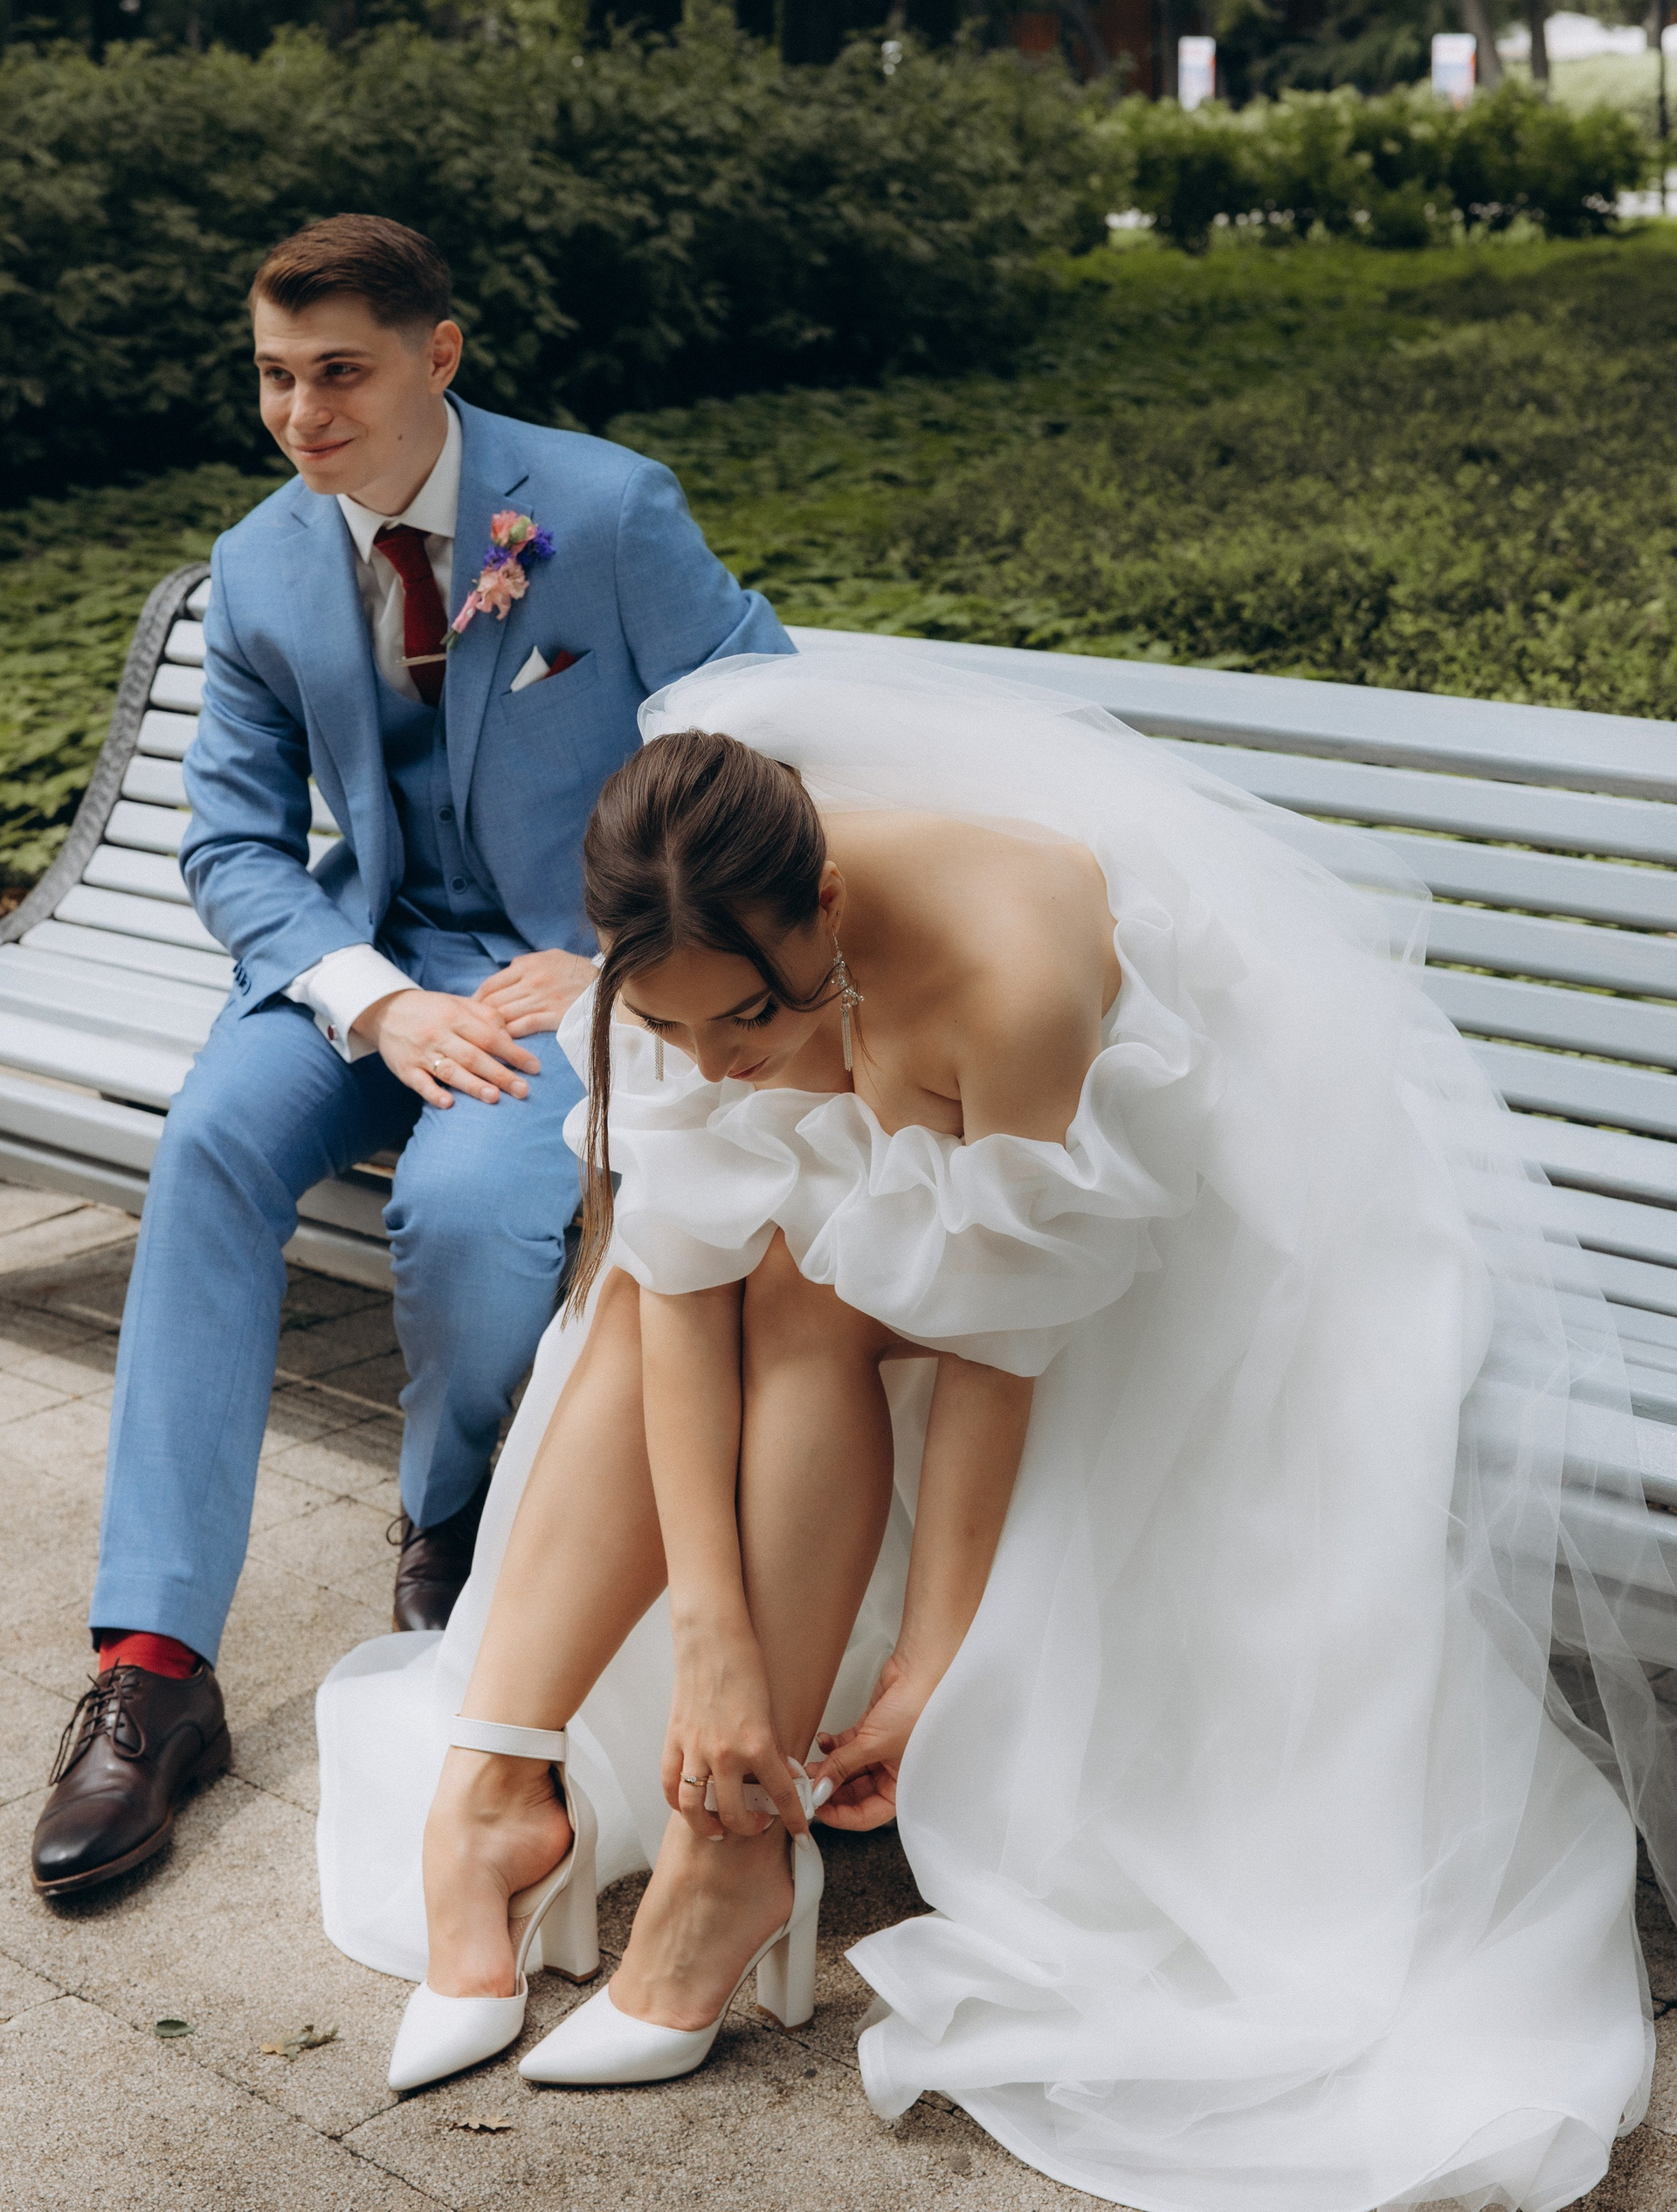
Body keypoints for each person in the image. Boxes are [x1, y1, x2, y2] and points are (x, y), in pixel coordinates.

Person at [318, 647, 1677, 2212]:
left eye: (749, 1015)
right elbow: (675, 1281)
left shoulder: (1008, 973)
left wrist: (929, 1665)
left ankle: (725, 1861)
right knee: (662, 1288)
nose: (719, 1061)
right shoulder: (676, 936)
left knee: (806, 1299)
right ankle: (497, 1782)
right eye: (678, 1029)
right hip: (901, 1219)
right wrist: (712, 1643)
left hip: (1163, 1243)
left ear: (829, 903)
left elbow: (992, 1342)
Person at [29, 215, 792, 1904]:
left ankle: (446, 1522)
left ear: (439, 356)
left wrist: (621, 958)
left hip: (567, 978)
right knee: (210, 1146)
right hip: (372, 965)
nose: (301, 415)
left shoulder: (603, 507)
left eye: (339, 374)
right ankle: (152, 1667)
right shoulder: (259, 562)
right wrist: (374, 1000)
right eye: (273, 377)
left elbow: (765, 728)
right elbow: (233, 844)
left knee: (461, 1209)